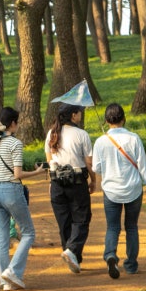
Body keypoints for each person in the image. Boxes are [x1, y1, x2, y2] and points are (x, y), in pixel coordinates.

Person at [0, 107, 48, 290]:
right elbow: (17, 174)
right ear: (12, 123)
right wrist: (37, 172)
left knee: (2, 236)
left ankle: (5, 281)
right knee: (28, 232)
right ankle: (13, 271)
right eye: (17, 122)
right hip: (11, 191)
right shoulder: (15, 143)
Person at [91, 103, 146, 278]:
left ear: (106, 120)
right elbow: (142, 164)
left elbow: (96, 167)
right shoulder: (133, 138)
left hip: (111, 190)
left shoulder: (100, 141)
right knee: (132, 227)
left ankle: (110, 254)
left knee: (112, 227)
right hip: (133, 189)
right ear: (123, 119)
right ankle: (131, 265)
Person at [44, 104, 96, 273]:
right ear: (73, 115)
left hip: (57, 182)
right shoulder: (81, 134)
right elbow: (88, 162)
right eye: (79, 112)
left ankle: (74, 259)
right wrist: (93, 179)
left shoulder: (52, 134)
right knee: (82, 218)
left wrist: (51, 182)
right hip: (77, 181)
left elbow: (50, 159)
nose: (81, 115)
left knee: (64, 222)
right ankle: (72, 250)